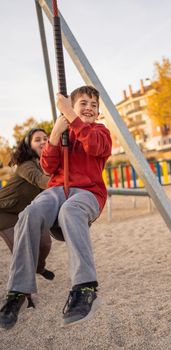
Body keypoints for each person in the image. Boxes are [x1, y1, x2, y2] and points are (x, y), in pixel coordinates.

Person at [0, 85, 112, 329]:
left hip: (88, 193)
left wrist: (71, 117)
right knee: (30, 213)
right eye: (83, 103)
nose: (89, 108)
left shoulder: (101, 132)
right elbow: (49, 167)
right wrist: (53, 136)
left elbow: (94, 146)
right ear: (72, 105)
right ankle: (17, 291)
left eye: (94, 105)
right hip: (57, 189)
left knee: (70, 210)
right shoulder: (64, 133)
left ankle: (85, 287)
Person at [0, 128, 55, 281]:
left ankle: (39, 268)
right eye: (37, 140)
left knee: (44, 244)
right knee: (22, 251)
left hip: (27, 211)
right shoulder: (26, 164)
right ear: (28, 145)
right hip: (5, 211)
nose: (43, 141)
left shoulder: (49, 163)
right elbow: (40, 180)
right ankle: (22, 292)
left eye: (45, 138)